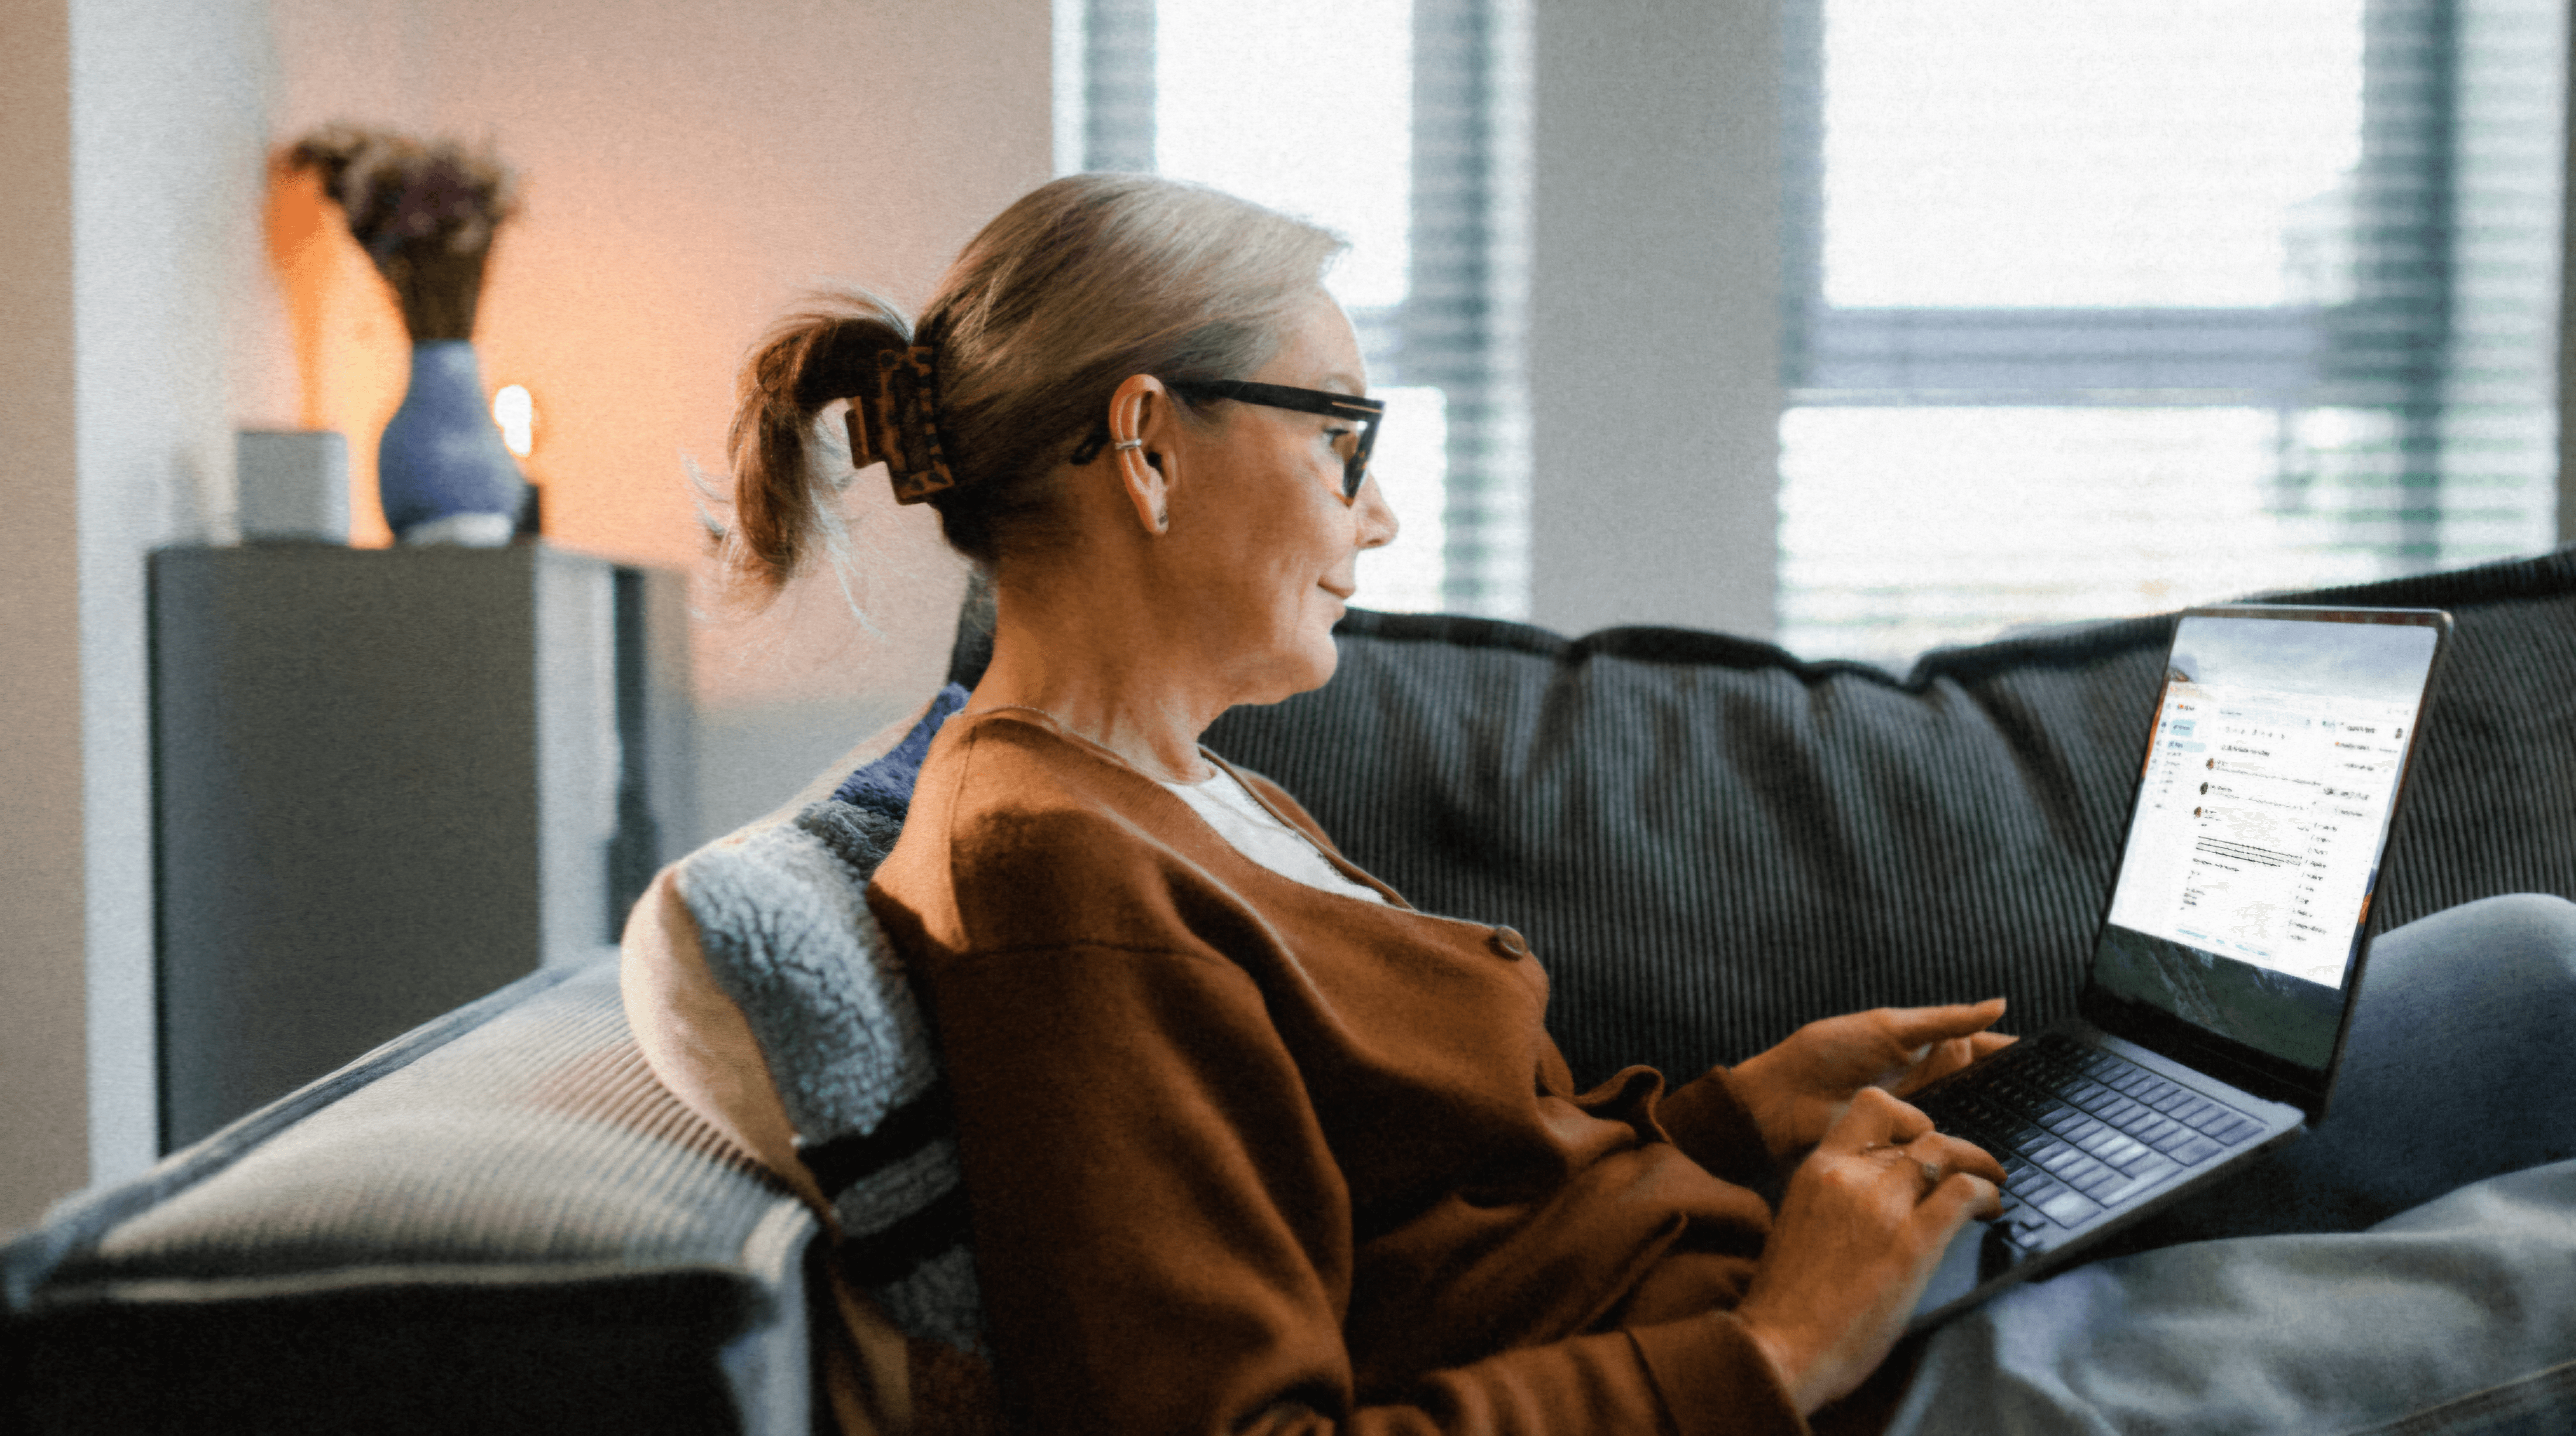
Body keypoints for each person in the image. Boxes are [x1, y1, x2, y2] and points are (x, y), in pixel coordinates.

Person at [649, 172, 2576, 1435]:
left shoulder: (1185, 791)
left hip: (1789, 1272)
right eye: (1345, 437)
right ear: (1150, 443)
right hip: (1834, 1388)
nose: (1379, 513)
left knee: (2526, 966)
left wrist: (1748, 1112)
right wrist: (1779, 1346)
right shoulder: (1055, 885)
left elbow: (1448, 1199)